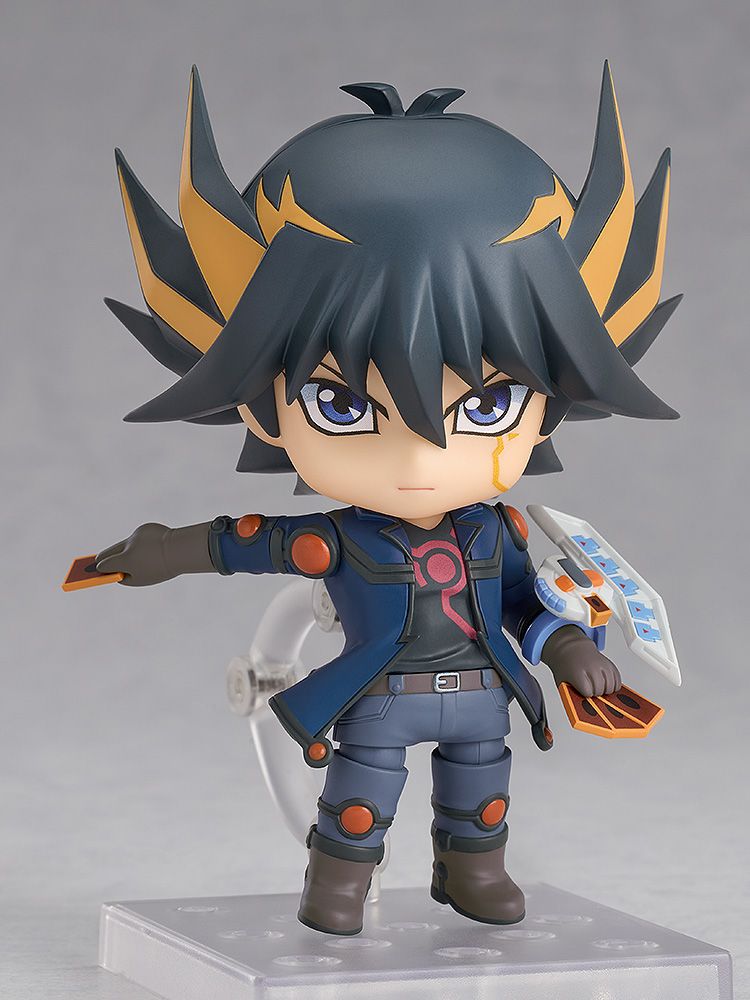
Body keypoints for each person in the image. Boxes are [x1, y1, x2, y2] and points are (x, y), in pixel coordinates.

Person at [93, 64, 679, 935]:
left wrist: (567, 651)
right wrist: (160, 550)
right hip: (377, 699)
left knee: (483, 792)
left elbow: (528, 603)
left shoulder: (499, 534)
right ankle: (338, 881)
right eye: (342, 405)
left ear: (551, 401)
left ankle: (472, 871)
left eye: (486, 407)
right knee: (361, 797)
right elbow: (244, 541)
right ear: (259, 404)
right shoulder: (343, 541)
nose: (419, 457)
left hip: (482, 696)